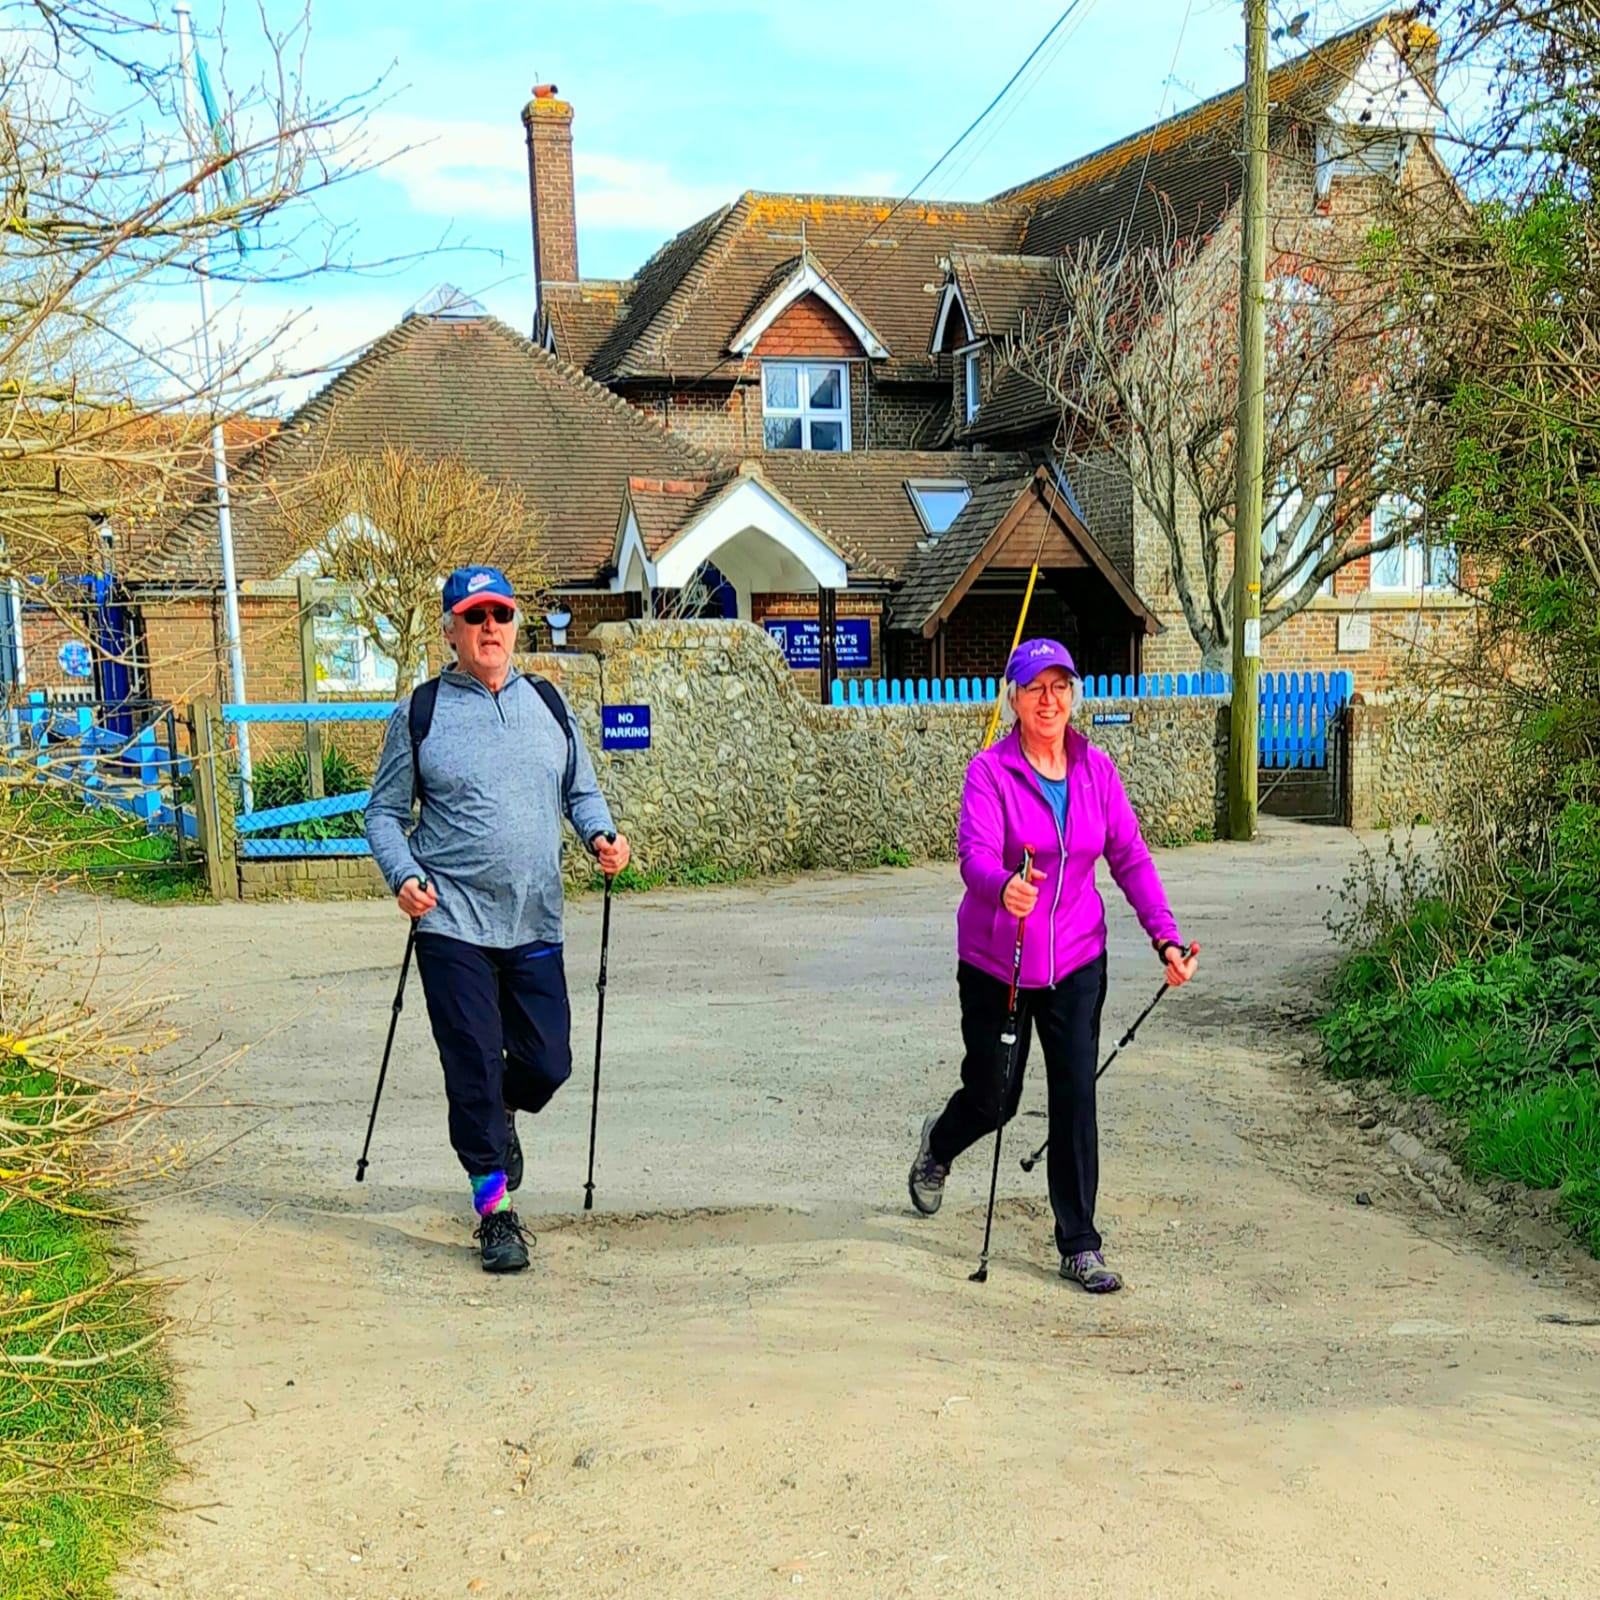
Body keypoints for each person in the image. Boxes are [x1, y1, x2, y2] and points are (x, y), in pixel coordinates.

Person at [907, 638, 1198, 1292]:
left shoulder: (1097, 773)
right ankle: (940, 1144)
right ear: (1014, 696)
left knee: (1075, 1093)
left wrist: (1166, 939)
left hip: (1076, 958)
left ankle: (1080, 1243)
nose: (1049, 700)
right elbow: (973, 854)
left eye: (1061, 687)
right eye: (1036, 687)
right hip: (997, 961)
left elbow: (1130, 858)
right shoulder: (990, 772)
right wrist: (1002, 884)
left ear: (1074, 696)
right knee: (995, 1097)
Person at [365, 566, 630, 1273]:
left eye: (501, 616)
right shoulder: (420, 711)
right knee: (474, 1065)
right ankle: (495, 1212)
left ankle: (502, 1114)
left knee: (547, 1065)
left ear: (516, 625)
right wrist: (405, 876)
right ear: (450, 628)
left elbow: (582, 789)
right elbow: (384, 815)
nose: (490, 630)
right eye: (475, 617)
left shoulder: (547, 702)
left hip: (536, 919)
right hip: (451, 923)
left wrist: (602, 835)